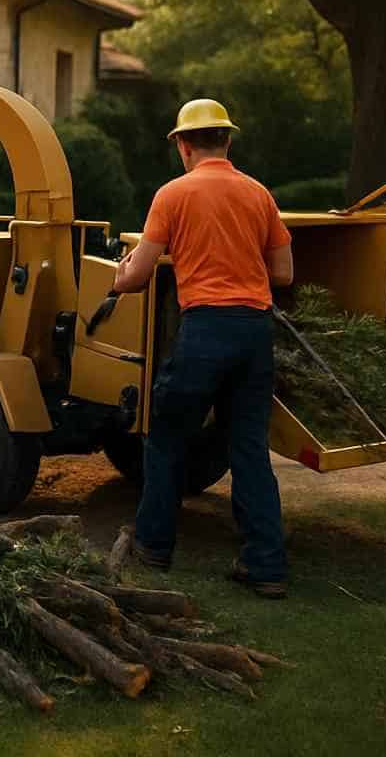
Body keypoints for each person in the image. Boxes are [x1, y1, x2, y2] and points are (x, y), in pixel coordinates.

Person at [110, 99, 294, 599]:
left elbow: (138, 275)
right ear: (227, 141)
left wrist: (119, 271)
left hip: (205, 329)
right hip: (255, 332)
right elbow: (283, 274)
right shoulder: (259, 195)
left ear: (183, 146)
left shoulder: (172, 195)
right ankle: (266, 565)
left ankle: (153, 545)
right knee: (249, 447)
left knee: (167, 435)